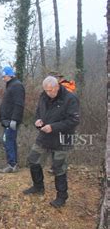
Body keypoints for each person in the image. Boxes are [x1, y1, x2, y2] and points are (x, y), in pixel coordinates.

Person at [23, 76, 80, 208]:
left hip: (62, 138)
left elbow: (74, 121)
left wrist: (53, 127)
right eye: (46, 90)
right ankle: (38, 187)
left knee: (59, 167)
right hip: (44, 136)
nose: (48, 93)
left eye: (50, 90)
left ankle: (61, 197)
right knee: (33, 159)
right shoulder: (43, 97)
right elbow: (38, 113)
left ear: (57, 87)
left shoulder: (70, 99)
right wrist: (37, 122)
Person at [0, 66, 25, 173]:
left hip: (11, 120)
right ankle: (13, 163)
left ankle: (12, 164)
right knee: (9, 140)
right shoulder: (11, 86)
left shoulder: (17, 86)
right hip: (7, 120)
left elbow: (19, 104)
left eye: (4, 76)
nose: (3, 78)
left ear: (10, 75)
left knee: (8, 140)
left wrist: (14, 119)